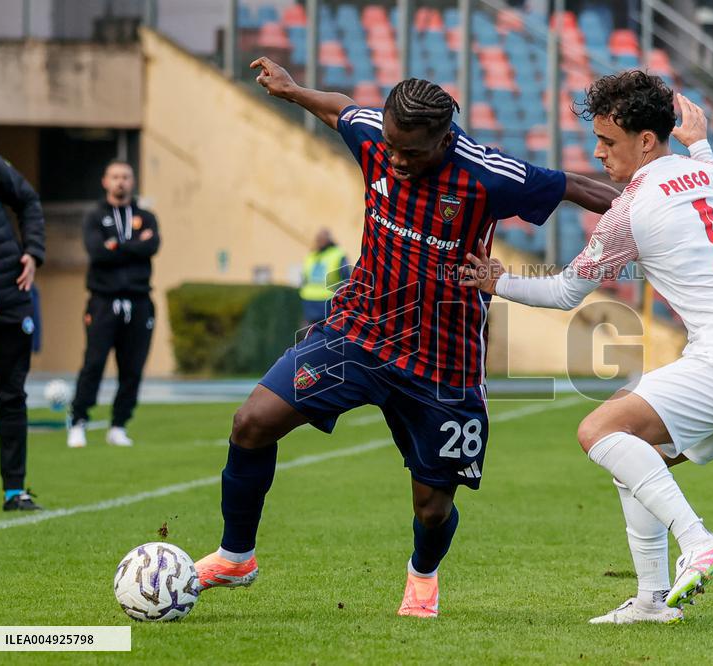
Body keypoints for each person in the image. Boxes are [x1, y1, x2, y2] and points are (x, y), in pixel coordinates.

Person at [193, 57, 619, 618]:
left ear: (444, 138)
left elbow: (577, 186)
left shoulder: (488, 174)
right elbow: (342, 110)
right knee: (252, 422)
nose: (395, 160)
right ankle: (236, 556)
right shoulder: (376, 136)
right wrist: (293, 91)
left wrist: (657, 214)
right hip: (358, 332)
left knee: (432, 507)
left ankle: (422, 575)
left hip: (443, 360)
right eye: (391, 147)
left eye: (410, 152)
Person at [460, 72, 713, 624]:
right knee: (635, 455)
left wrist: (499, 281)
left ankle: (698, 541)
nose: (598, 152)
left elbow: (564, 292)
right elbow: (702, 157)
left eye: (608, 140)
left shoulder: (630, 210)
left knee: (597, 430)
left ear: (646, 140)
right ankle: (650, 601)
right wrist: (698, 139)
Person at [0, 149, 46, 511]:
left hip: (11, 296)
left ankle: (15, 492)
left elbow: (28, 199)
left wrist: (33, 251)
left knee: (12, 396)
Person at [67, 160, 160, 448]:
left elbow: (152, 246)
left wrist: (117, 244)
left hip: (139, 301)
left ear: (132, 181)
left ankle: (119, 425)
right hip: (104, 302)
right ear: (105, 181)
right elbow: (98, 252)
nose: (121, 181)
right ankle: (78, 421)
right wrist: (134, 245)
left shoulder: (146, 216)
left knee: (132, 368)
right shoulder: (95, 216)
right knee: (94, 363)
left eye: (126, 177)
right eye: (115, 176)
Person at [299, 228, 350, 327]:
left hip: (327, 301)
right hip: (311, 301)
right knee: (314, 332)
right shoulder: (312, 255)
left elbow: (346, 279)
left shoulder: (337, 254)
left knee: (323, 330)